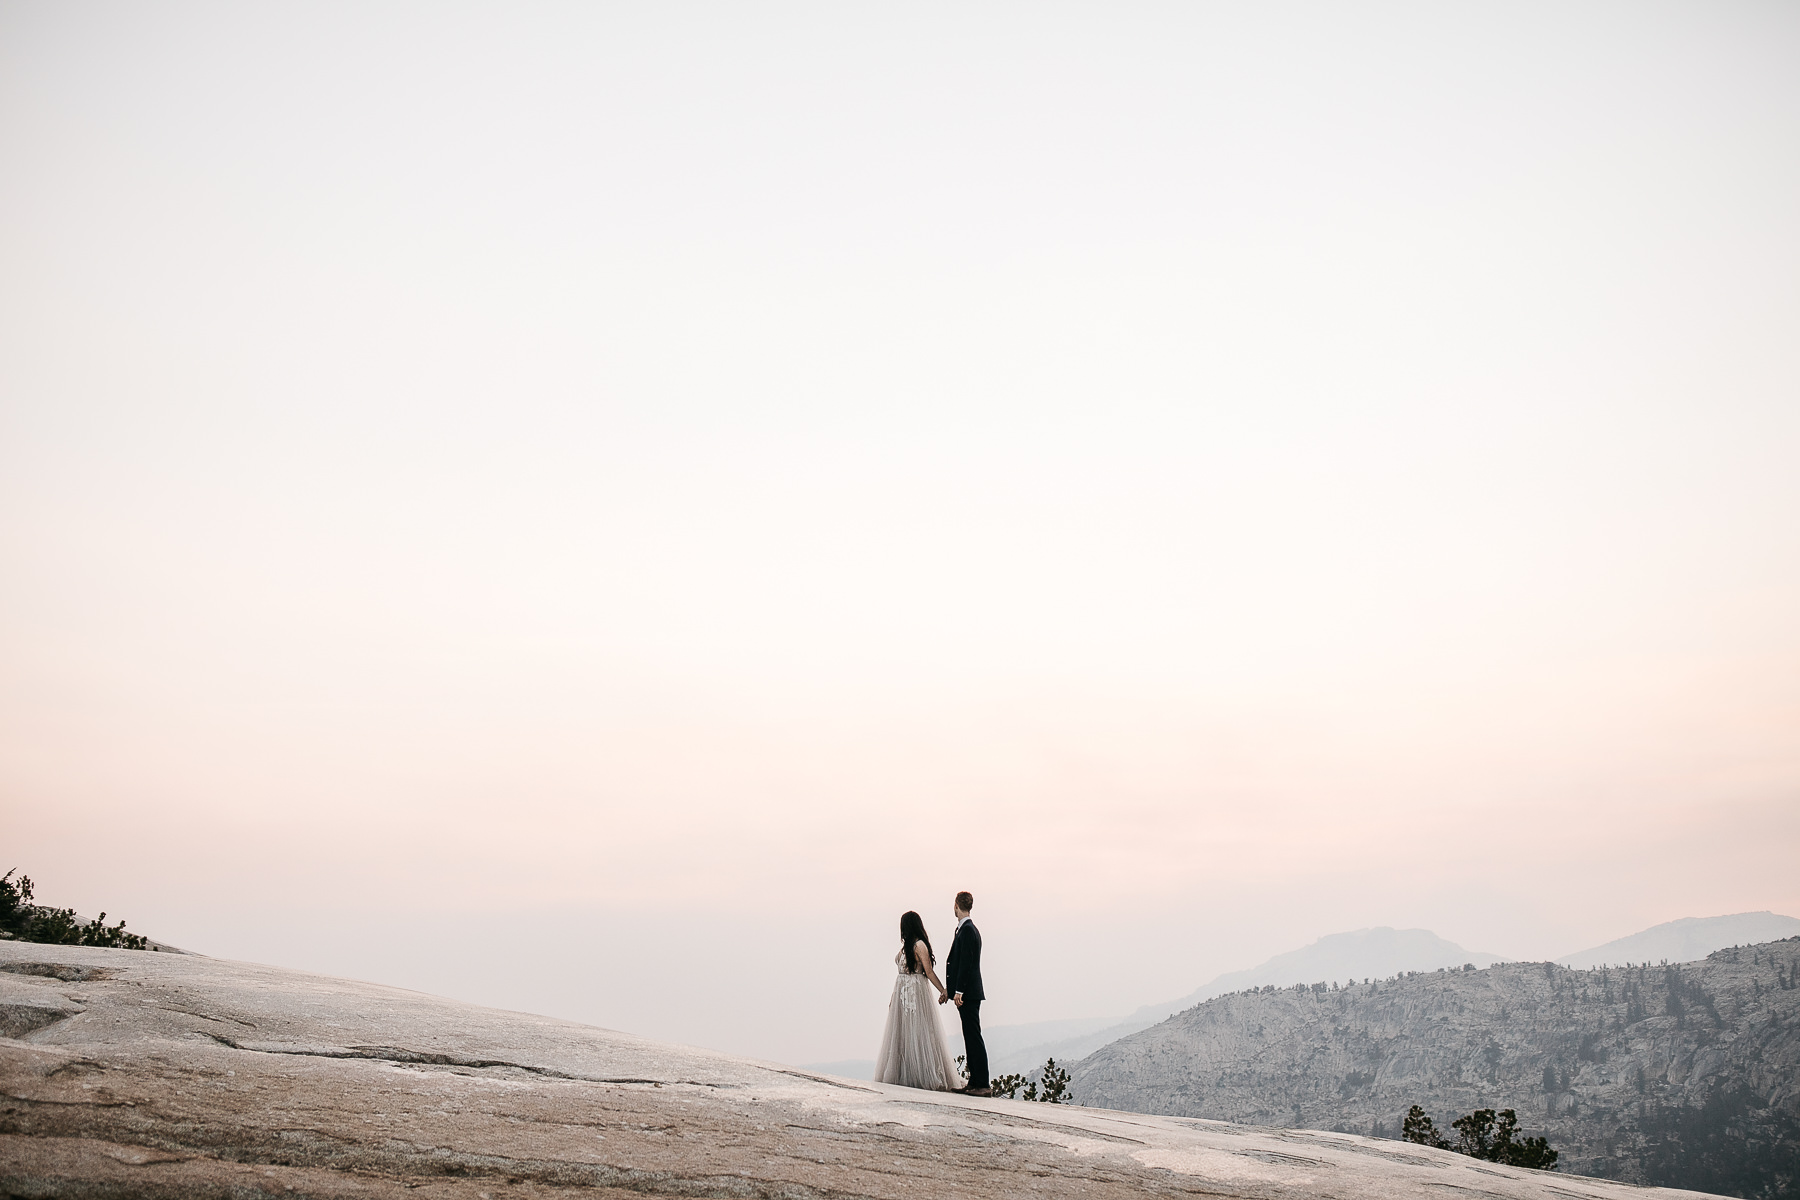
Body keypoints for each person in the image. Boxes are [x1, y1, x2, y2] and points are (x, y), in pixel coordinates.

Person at [872, 910, 962, 1090]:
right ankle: (903, 1072)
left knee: (918, 1031)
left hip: (914, 993)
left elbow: (928, 972)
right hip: (902, 993)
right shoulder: (906, 946)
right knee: (902, 1033)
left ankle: (923, 1073)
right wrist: (893, 999)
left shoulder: (919, 945)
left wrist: (944, 990)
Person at [941, 890, 989, 1095]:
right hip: (967, 993)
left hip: (968, 994)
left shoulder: (968, 930)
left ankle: (982, 1084)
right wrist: (950, 990)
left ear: (956, 905)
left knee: (973, 1037)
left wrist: (959, 991)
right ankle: (974, 1081)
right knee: (970, 1037)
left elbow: (966, 964)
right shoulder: (966, 929)